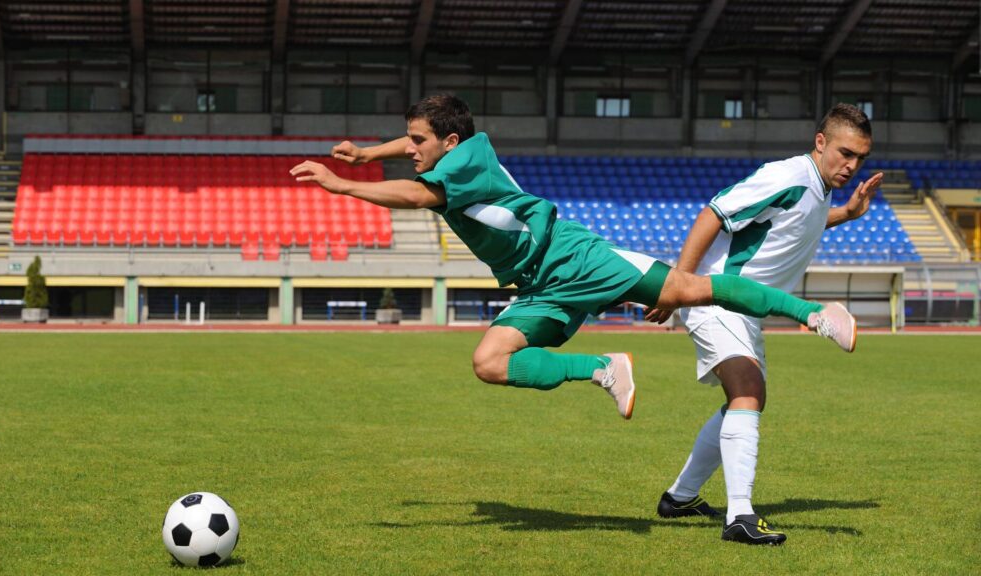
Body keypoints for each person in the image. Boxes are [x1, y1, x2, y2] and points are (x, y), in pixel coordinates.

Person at [289, 94, 857, 424]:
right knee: (489, 362)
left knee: (690, 289)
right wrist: (369, 152)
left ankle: (814, 314)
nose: (409, 148)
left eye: (416, 141)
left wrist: (343, 183)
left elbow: (416, 193)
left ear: (449, 144)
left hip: (572, 256)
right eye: (406, 139)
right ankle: (604, 367)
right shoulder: (457, 148)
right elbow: (422, 148)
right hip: (539, 284)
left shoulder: (458, 169)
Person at [647, 103, 881, 545]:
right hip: (719, 297)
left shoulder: (819, 186)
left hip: (748, 311)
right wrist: (678, 284)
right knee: (748, 391)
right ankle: (739, 516)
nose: (852, 165)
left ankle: (680, 497)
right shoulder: (788, 175)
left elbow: (798, 223)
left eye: (861, 158)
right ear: (820, 142)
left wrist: (848, 214)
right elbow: (714, 213)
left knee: (749, 398)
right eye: (846, 153)